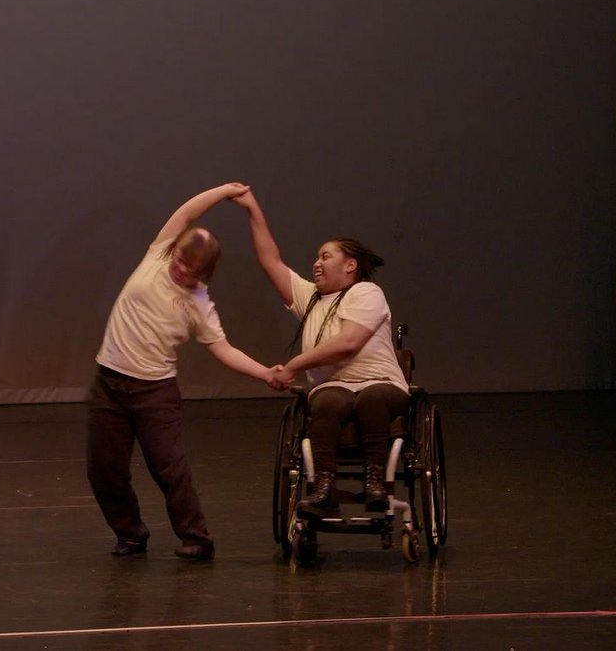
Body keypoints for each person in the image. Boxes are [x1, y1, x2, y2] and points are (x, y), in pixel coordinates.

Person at [87, 182, 279, 561]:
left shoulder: (199, 304)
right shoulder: (158, 255)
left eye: (188, 269)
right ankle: (130, 533)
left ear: (203, 274)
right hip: (108, 382)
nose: (178, 270)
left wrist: (266, 373)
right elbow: (188, 212)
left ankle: (197, 538)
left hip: (154, 392)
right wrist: (224, 191)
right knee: (104, 472)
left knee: (170, 469)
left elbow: (224, 350)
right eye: (178, 260)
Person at [233, 190, 410, 519]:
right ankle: (324, 487)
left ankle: (376, 485)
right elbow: (270, 260)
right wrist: (252, 209)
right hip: (336, 387)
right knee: (325, 401)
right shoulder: (311, 298)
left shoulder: (365, 292)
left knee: (371, 398)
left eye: (326, 256)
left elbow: (348, 343)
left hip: (381, 383)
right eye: (316, 256)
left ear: (350, 265)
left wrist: (295, 364)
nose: (316, 263)